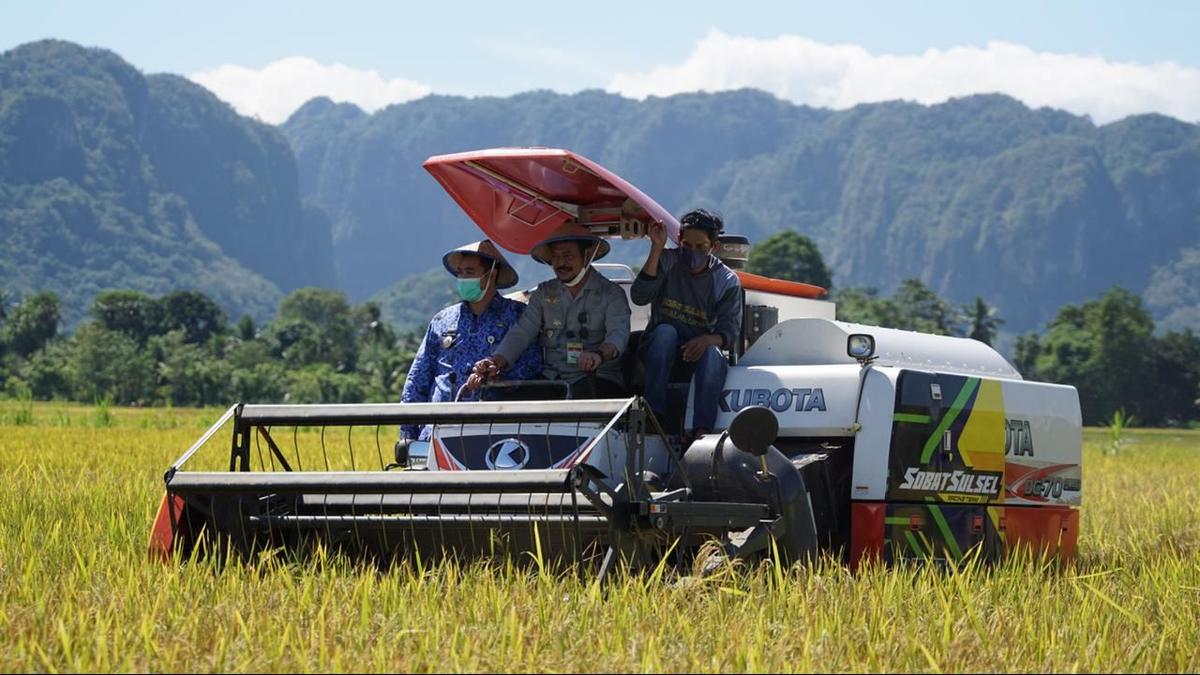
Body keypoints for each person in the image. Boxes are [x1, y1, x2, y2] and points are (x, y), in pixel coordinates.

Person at [399, 240, 543, 442]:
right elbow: (418, 378)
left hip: (495, 433)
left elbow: (534, 363)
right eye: (460, 273)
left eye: (470, 272)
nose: (463, 278)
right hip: (436, 432)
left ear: (491, 274)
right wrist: (407, 434)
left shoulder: (517, 316)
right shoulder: (442, 320)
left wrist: (498, 376)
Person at [470, 222, 630, 398]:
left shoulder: (612, 294)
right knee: (512, 404)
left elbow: (618, 335)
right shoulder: (543, 293)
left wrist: (598, 355)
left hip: (598, 380)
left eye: (568, 256)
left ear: (587, 255)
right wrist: (495, 361)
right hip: (552, 380)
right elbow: (522, 332)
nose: (561, 262)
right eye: (556, 256)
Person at [630, 209, 742, 440]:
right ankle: (655, 414)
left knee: (713, 354)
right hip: (659, 350)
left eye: (700, 246)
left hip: (697, 356)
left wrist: (707, 340)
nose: (692, 252)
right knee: (665, 333)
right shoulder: (668, 261)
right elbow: (640, 296)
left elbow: (729, 331)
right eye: (686, 245)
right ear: (679, 242)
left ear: (714, 246)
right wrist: (656, 247)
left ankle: (701, 430)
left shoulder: (727, 280)